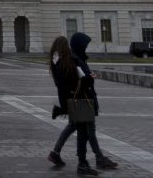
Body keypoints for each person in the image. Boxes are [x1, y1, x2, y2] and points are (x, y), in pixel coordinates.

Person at [48, 33, 118, 174]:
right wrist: (88, 78)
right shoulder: (70, 60)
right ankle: (86, 162)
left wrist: (64, 106)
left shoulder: (57, 61)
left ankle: (82, 160)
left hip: (75, 100)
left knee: (80, 130)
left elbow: (65, 85)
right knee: (85, 132)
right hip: (81, 99)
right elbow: (77, 81)